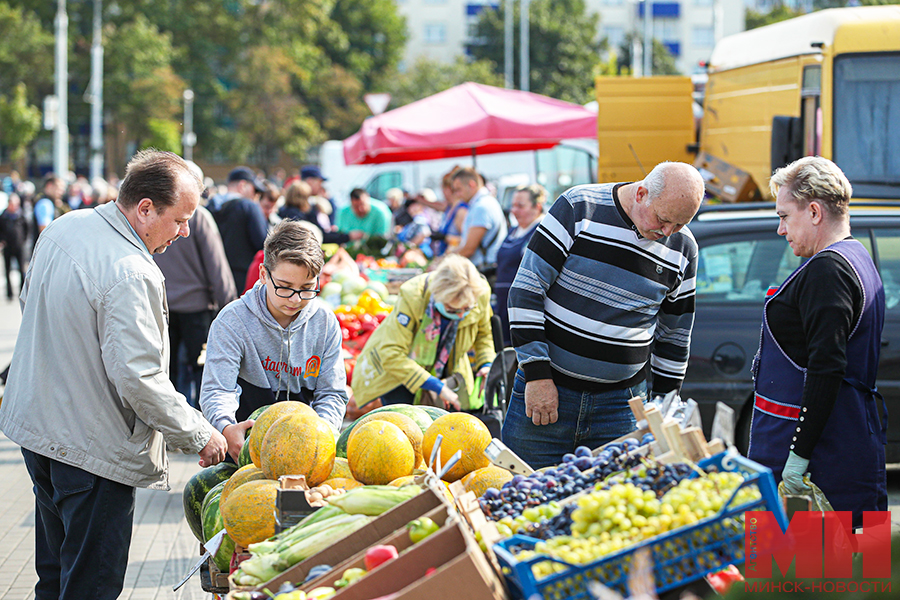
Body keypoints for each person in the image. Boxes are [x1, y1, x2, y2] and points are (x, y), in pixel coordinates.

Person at [0, 150, 227, 600]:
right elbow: (140, 377)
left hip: (39, 429)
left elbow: (30, 305)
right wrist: (202, 435)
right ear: (145, 208)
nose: (184, 232)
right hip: (91, 448)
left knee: (55, 573)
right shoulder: (132, 271)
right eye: (180, 220)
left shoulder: (66, 226)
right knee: (92, 585)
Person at [504, 161, 704, 468]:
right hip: (548, 393)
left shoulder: (684, 246)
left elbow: (675, 336)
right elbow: (526, 290)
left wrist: (663, 408)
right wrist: (537, 374)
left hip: (621, 408)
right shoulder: (580, 207)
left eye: (679, 224)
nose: (667, 233)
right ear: (641, 194)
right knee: (523, 494)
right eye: (663, 220)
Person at [748, 157, 886, 528]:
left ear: (813, 212)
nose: (780, 229)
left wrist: (799, 455)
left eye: (784, 216)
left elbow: (827, 366)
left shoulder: (830, 269)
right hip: (848, 438)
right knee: (852, 570)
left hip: (823, 455)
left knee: (801, 579)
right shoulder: (856, 255)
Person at [200, 220, 349, 462]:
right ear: (263, 275)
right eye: (285, 287)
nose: (295, 299)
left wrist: (325, 434)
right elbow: (218, 389)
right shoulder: (232, 320)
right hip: (243, 446)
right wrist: (226, 427)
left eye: (307, 288)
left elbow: (331, 392)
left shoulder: (324, 322)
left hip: (305, 447)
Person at [351, 254, 495, 412]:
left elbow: (484, 335)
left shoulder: (479, 293)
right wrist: (435, 386)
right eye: (452, 310)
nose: (460, 315)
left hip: (448, 367)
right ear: (438, 296)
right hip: (401, 374)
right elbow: (391, 353)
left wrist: (486, 363)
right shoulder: (413, 295)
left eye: (467, 309)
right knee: (407, 422)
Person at [154, 162, 237, 409]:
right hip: (195, 307)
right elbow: (216, 266)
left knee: (163, 370)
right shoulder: (199, 217)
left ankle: (167, 422)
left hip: (162, 304)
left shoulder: (158, 215)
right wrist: (229, 307)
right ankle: (203, 423)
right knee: (201, 369)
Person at [494, 184, 547, 345]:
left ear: (537, 207)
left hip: (524, 308)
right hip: (504, 302)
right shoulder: (513, 231)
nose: (514, 211)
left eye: (520, 206)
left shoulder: (541, 232)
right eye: (513, 206)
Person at [211, 166, 269, 289]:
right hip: (244, 277)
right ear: (242, 185)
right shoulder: (248, 206)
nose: (256, 196)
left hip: (214, 277)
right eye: (255, 190)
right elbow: (263, 243)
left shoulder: (210, 207)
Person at [450, 168, 507, 269]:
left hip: (486, 270)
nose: (457, 195)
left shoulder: (482, 206)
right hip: (486, 268)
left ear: (472, 185)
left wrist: (444, 263)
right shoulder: (482, 203)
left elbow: (469, 249)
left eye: (459, 189)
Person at [433, 168, 468, 256]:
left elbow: (466, 240)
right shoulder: (449, 208)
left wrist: (447, 238)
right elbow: (437, 205)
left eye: (443, 189)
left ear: (449, 189)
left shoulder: (461, 211)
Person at [1, 192, 29, 301]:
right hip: (7, 246)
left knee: (22, 269)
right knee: (7, 270)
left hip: (19, 246)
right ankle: (9, 294)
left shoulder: (21, 215)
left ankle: (23, 293)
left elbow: (27, 229)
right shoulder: (3, 216)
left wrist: (23, 240)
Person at [33, 174, 63, 242]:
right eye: (59, 188)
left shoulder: (50, 203)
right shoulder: (45, 204)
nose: (61, 192)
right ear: (49, 186)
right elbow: (45, 231)